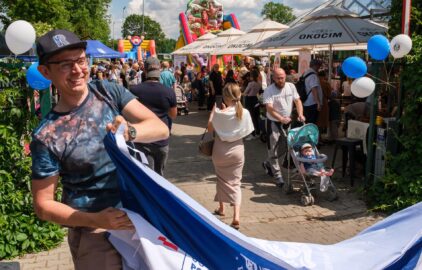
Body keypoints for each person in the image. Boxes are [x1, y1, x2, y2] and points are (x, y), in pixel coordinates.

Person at [30, 29, 169, 269]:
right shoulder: (47, 134)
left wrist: (130, 132)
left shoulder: (108, 92)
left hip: (141, 220)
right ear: (45, 71)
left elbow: (160, 128)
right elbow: (43, 205)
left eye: (81, 60)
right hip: (95, 235)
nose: (77, 70)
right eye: (65, 64)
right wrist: (96, 219)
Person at [207, 83, 254, 230]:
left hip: (220, 149)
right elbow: (248, 131)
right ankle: (236, 216)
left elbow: (209, 128)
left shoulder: (219, 113)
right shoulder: (244, 112)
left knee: (221, 178)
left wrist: (213, 112)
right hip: (237, 149)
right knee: (235, 182)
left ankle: (221, 208)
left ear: (225, 97)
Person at [129, 57, 177, 176]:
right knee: (159, 175)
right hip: (161, 139)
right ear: (159, 71)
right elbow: (173, 115)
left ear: (145, 71)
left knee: (146, 175)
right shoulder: (169, 92)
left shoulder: (134, 90)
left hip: (142, 139)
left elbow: (128, 113)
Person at [262, 68, 305, 187]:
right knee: (273, 149)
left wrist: (300, 114)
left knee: (287, 146)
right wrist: (280, 118)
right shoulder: (269, 90)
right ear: (273, 78)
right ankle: (278, 176)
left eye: (282, 77)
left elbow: (298, 101)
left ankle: (267, 163)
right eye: (278, 78)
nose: (281, 80)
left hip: (288, 121)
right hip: (274, 122)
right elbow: (269, 108)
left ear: (285, 76)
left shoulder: (291, 86)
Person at [302, 59, 323, 125]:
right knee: (312, 123)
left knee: (308, 122)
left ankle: (308, 134)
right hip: (312, 103)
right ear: (316, 66)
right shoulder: (313, 75)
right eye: (319, 66)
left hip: (306, 101)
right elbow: (314, 88)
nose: (319, 68)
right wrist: (318, 102)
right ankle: (310, 135)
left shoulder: (305, 73)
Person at [243, 69, 261, 140]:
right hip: (255, 99)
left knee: (251, 118)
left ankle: (252, 134)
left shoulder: (250, 84)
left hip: (249, 100)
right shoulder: (259, 83)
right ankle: (258, 132)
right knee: (256, 117)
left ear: (252, 76)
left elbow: (245, 92)